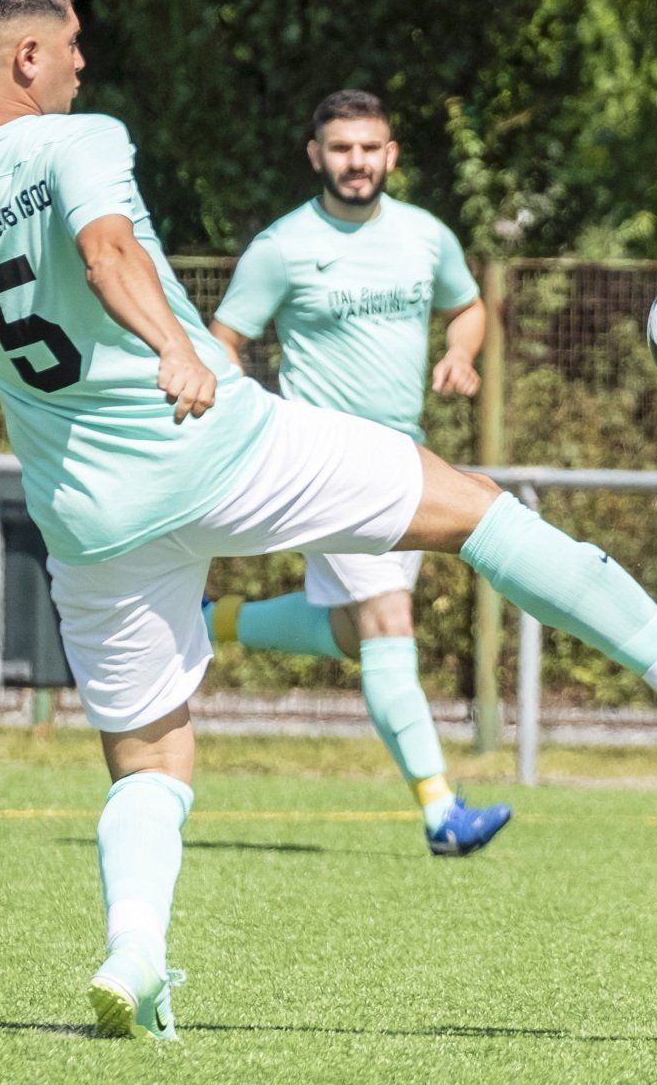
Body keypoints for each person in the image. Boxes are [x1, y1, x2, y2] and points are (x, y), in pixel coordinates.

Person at [0, 0, 657, 1042]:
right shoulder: (79, 139)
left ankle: (135, 952)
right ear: (26, 56)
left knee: (149, 758)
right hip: (214, 443)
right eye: (69, 45)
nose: (81, 63)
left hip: (88, 516)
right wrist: (175, 347)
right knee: (473, 509)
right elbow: (106, 250)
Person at [203, 89, 508, 858]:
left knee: (354, 634)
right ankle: (441, 811)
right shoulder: (282, 247)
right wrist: (249, 424)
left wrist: (460, 353)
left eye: (370, 148)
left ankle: (209, 621)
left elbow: (469, 307)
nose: (357, 162)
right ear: (316, 155)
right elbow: (222, 342)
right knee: (388, 621)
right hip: (324, 462)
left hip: (405, 459)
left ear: (391, 154)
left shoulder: (425, 236)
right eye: (341, 148)